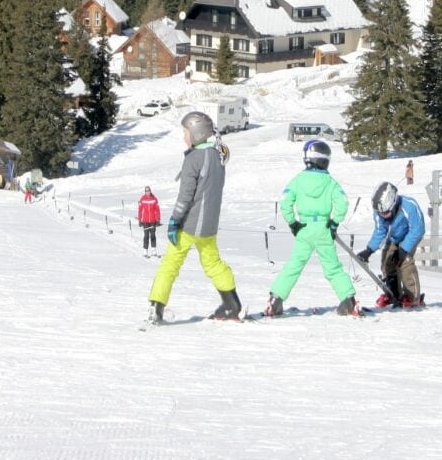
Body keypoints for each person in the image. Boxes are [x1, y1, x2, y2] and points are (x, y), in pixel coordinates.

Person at [147, 111, 241, 323]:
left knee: (170, 264)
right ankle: (231, 304)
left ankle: (156, 307)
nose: (184, 137)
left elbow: (186, 195)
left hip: (189, 225)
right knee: (213, 263)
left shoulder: (194, 159)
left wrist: (174, 221)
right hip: (209, 226)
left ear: (197, 134)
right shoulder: (218, 157)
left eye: (186, 133)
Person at [264, 140, 361, 318]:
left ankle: (275, 300)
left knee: (294, 265)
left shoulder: (298, 180)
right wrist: (334, 222)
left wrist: (293, 223)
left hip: (305, 228)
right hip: (323, 228)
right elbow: (342, 202)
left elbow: (286, 202)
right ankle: (349, 301)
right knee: (333, 268)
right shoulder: (330, 182)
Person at [356, 181, 426, 308]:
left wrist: (403, 250)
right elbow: (380, 230)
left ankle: (413, 297)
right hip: (395, 237)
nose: (384, 216)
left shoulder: (409, 206)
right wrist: (369, 250)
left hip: (411, 235)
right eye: (381, 214)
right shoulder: (379, 211)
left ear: (393, 204)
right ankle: (393, 293)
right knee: (387, 261)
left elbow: (417, 229)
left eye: (387, 213)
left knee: (404, 262)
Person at [138, 186, 161, 257]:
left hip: (153, 220)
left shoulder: (154, 199)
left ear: (150, 191)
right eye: (146, 191)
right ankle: (145, 251)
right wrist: (140, 220)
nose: (147, 192)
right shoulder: (142, 199)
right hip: (145, 220)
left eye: (148, 191)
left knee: (153, 235)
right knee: (146, 235)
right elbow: (140, 210)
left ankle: (154, 250)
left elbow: (157, 210)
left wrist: (158, 219)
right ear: (145, 192)